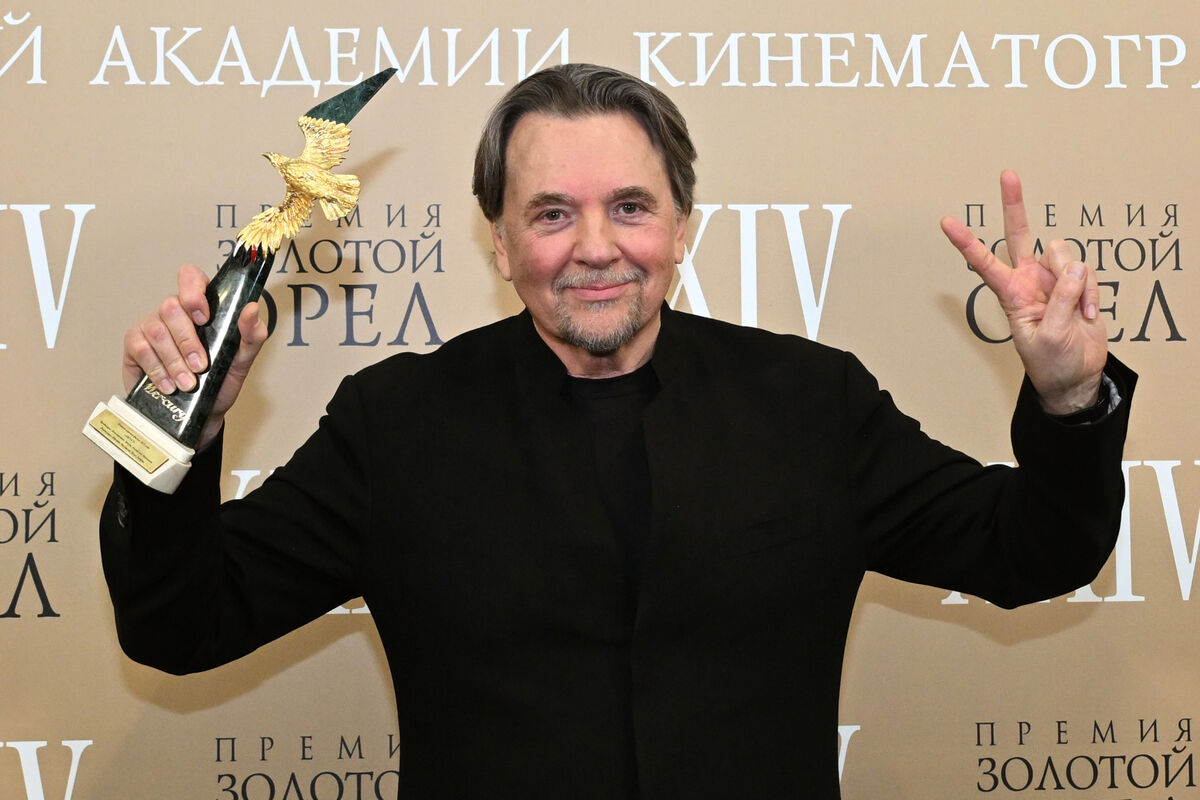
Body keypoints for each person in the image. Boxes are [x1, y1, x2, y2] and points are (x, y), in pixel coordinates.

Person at [100, 63, 1135, 798]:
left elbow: (1031, 549)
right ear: (500, 243)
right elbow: (182, 626)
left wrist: (1068, 399)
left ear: (682, 228)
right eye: (552, 213)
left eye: (631, 208)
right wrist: (171, 432)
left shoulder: (810, 399)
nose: (596, 248)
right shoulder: (396, 422)